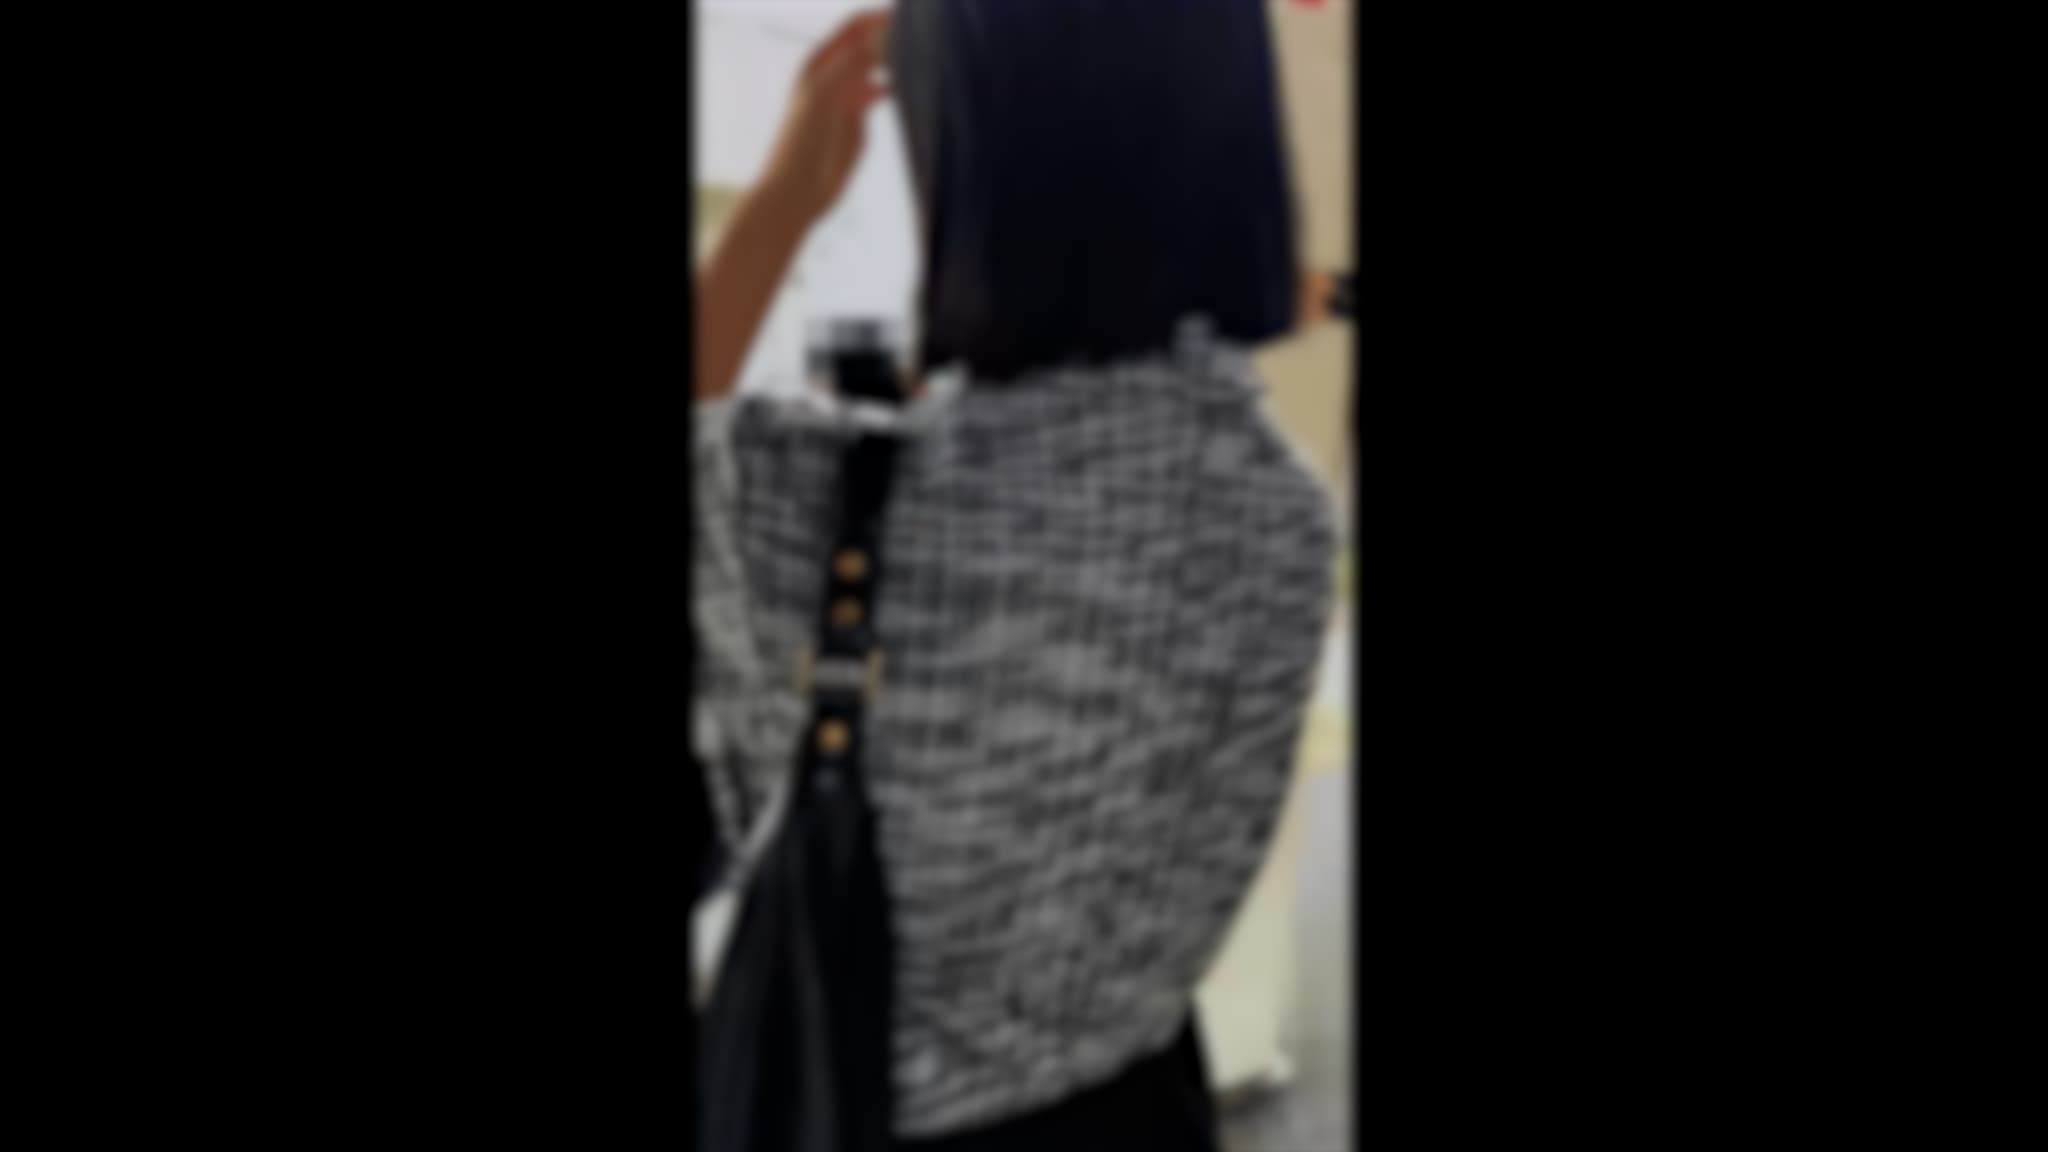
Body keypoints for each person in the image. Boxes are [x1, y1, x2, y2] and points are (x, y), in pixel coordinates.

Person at [694, 3, 1335, 1149]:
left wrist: (785, 195)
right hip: (1140, 1095)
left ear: (963, 144)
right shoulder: (1280, 509)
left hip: (846, 1103)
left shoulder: (802, 493)